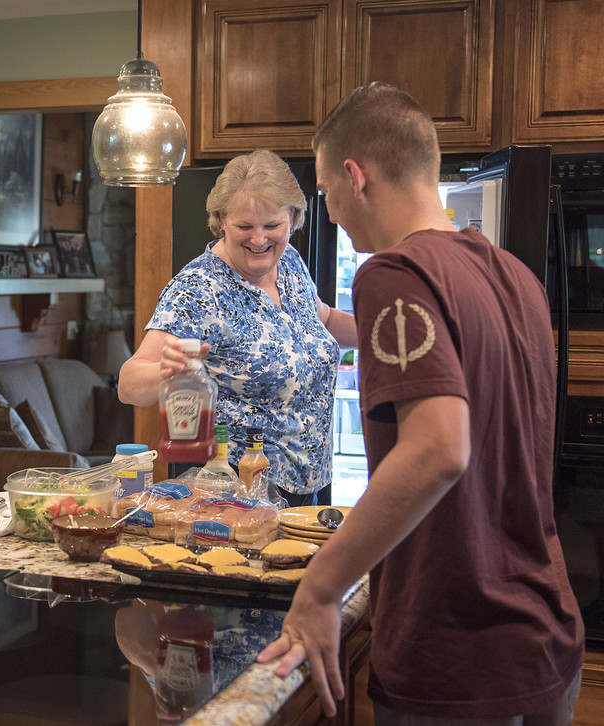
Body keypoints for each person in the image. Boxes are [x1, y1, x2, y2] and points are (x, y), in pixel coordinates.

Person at [256, 82, 584, 723]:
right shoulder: (515, 276)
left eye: (325, 193)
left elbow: (438, 448)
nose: (333, 213)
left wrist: (321, 588)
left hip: (457, 653)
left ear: (356, 176)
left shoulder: (394, 272)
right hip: (544, 633)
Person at [117, 150, 357, 505]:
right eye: (245, 226)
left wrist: (389, 330)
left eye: (272, 226)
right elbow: (129, 384)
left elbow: (322, 318)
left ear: (292, 217)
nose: (259, 240)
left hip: (309, 484)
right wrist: (165, 372)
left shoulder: (288, 262)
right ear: (221, 221)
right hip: (236, 493)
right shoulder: (197, 290)